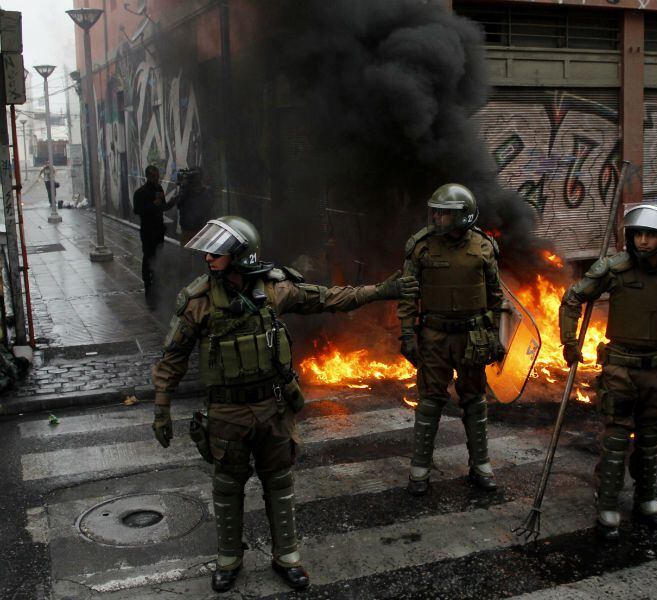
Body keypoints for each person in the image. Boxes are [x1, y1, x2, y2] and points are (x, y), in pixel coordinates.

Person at [150, 216, 418, 592]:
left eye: (218, 253)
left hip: (273, 409)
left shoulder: (274, 291)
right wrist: (162, 406)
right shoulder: (199, 302)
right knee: (227, 486)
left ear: (241, 256)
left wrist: (381, 291)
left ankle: (287, 556)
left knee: (279, 482)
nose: (208, 258)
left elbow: (329, 297)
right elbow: (172, 357)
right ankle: (229, 558)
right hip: (227, 413)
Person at [558, 203, 657, 540]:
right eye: (638, 234)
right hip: (620, 369)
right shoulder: (615, 269)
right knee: (615, 438)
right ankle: (608, 501)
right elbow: (572, 299)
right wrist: (569, 343)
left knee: (651, 438)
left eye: (651, 236)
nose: (643, 241)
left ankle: (645, 498)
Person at [398, 183, 506, 496]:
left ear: (463, 216)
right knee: (430, 402)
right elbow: (407, 295)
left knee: (474, 400)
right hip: (434, 337)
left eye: (444, 214)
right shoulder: (421, 247)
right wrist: (407, 333)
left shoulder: (484, 247)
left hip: (473, 337)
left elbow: (496, 298)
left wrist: (497, 337)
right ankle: (419, 469)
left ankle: (481, 464)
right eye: (435, 212)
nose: (437, 218)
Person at [132, 165, 177, 307]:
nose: (156, 178)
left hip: (158, 229)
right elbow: (138, 210)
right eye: (154, 176)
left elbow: (162, 207)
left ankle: (157, 284)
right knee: (148, 257)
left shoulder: (159, 190)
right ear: (148, 176)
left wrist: (172, 202)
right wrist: (153, 205)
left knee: (158, 256)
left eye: (157, 176)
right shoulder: (140, 193)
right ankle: (148, 285)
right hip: (147, 230)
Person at [174, 167, 214, 245]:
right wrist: (184, 187)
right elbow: (179, 204)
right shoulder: (186, 190)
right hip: (187, 230)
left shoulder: (206, 191)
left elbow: (208, 206)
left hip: (200, 230)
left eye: (194, 176)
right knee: (186, 254)